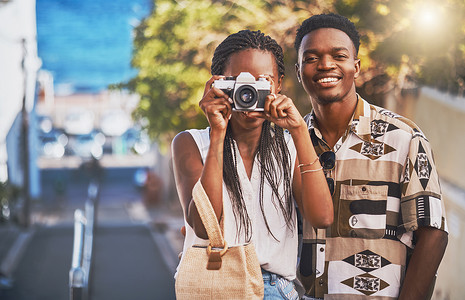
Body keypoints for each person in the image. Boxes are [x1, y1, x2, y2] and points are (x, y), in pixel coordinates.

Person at [293, 13, 448, 300]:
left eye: (338, 55)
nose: (325, 64)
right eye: (311, 58)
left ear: (356, 65)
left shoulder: (403, 137)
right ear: (298, 69)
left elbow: (433, 233)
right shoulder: (289, 143)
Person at [171, 29, 334, 299]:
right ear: (218, 84)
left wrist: (299, 131)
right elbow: (203, 225)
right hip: (217, 287)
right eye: (240, 83)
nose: (249, 95)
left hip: (276, 290)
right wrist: (218, 133)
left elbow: (322, 218)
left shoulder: (289, 145)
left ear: (278, 85)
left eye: (263, 81)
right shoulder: (191, 143)